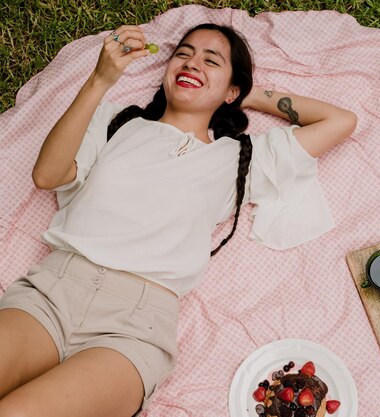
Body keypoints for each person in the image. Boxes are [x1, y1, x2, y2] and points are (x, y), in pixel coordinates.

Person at [0, 23, 356, 417]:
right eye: (183, 54)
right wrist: (100, 80)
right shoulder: (118, 122)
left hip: (134, 329)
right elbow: (47, 175)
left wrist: (245, 94)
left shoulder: (241, 158)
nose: (192, 63)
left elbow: (339, 121)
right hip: (51, 294)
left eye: (211, 60)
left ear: (232, 90)